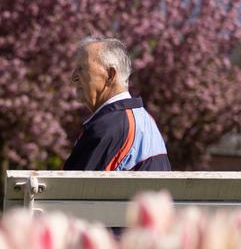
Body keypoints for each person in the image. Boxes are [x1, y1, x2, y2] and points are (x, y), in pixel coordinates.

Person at [64, 37, 171, 171]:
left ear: (110, 75)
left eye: (82, 68)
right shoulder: (143, 119)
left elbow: (76, 189)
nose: (73, 77)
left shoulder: (111, 126)